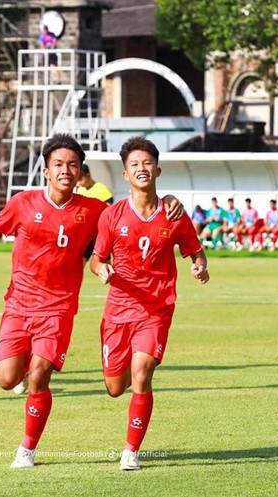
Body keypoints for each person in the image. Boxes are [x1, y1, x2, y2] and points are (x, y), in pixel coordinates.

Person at [0, 133, 183, 469]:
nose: (66, 170)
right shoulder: (23, 203)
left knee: (39, 373)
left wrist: (169, 199)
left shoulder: (95, 210)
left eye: (73, 165)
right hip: (18, 304)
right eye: (58, 165)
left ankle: (27, 450)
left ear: (81, 173)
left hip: (59, 308)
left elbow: (135, 211)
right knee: (7, 379)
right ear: (46, 171)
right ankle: (22, 380)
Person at [90, 136, 209, 471]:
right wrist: (102, 270)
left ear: (158, 169)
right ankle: (121, 378)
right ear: (125, 174)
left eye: (146, 164)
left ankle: (131, 450)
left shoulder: (174, 214)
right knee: (116, 387)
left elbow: (194, 249)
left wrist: (199, 265)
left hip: (156, 308)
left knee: (142, 374)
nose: (141, 169)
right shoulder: (111, 216)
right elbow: (96, 259)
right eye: (134, 165)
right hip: (118, 310)